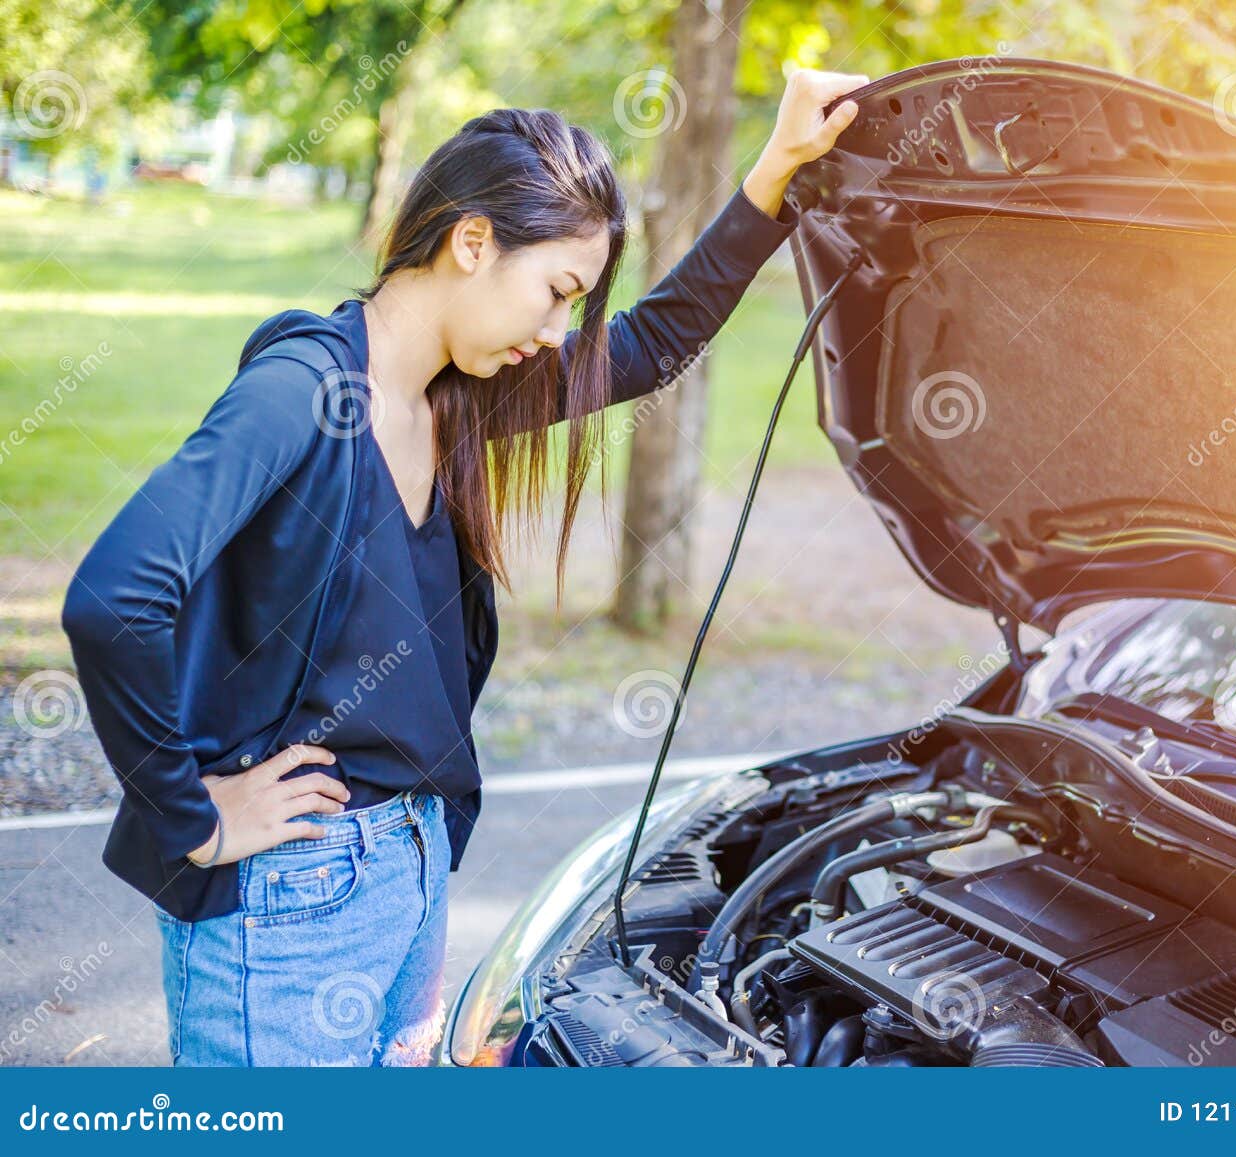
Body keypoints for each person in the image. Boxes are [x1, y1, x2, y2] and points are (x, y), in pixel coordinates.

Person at [59, 68, 868, 1066]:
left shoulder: (455, 401)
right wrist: (193, 813)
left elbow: (652, 347)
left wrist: (779, 168)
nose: (555, 333)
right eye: (557, 292)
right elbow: (113, 597)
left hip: (409, 862)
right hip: (289, 898)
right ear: (473, 241)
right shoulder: (300, 394)